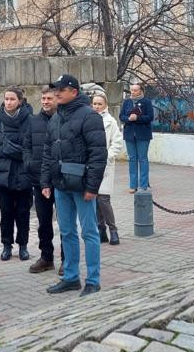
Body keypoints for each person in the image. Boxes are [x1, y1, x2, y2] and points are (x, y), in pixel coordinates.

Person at [41, 74, 108, 296]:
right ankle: (71, 277)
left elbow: (98, 155)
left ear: (74, 92)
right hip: (61, 184)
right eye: (55, 89)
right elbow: (48, 153)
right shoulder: (55, 118)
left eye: (61, 89)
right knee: (67, 231)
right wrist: (46, 181)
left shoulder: (90, 116)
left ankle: (93, 280)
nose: (57, 93)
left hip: (81, 185)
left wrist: (92, 187)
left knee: (89, 232)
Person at [0, 87, 33, 261]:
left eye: (12, 99)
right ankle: (6, 245)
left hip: (23, 171)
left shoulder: (30, 121)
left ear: (20, 101)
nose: (9, 102)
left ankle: (23, 245)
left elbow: (33, 146)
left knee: (23, 212)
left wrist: (25, 159)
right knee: (5, 213)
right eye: (6, 99)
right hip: (3, 172)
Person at [23, 85, 60, 274]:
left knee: (65, 223)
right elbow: (26, 145)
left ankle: (67, 259)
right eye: (43, 98)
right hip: (39, 181)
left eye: (49, 99)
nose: (45, 102)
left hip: (61, 181)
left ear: (56, 99)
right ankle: (46, 257)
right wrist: (29, 163)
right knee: (44, 222)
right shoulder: (33, 121)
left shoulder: (63, 119)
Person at [90, 92, 125, 245]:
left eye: (99, 104)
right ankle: (100, 230)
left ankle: (113, 229)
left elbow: (117, 143)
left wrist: (107, 156)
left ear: (105, 105)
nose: (97, 106)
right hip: (91, 164)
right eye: (95, 104)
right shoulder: (88, 120)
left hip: (105, 165)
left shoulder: (110, 121)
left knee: (103, 199)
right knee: (94, 198)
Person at [119, 82, 154, 193]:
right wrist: (128, 118)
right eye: (131, 90)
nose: (133, 92)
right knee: (132, 159)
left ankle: (143, 185)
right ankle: (133, 185)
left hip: (143, 135)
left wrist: (137, 118)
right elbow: (121, 116)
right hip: (129, 135)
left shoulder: (146, 102)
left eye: (135, 90)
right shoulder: (127, 102)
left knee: (142, 159)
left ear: (141, 91)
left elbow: (150, 117)